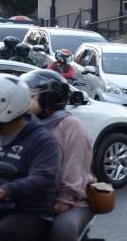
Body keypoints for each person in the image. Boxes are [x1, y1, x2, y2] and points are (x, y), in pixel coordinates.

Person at [20, 69, 95, 241]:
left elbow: (75, 168)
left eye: (30, 97)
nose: (23, 102)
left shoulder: (70, 125)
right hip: (33, 195)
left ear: (49, 99)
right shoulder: (23, 124)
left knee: (62, 229)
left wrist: (65, 199)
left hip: (74, 199)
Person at [0, 73, 61, 241]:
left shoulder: (42, 140)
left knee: (5, 236)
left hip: (28, 211)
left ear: (7, 107)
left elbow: (43, 178)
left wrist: (5, 189)